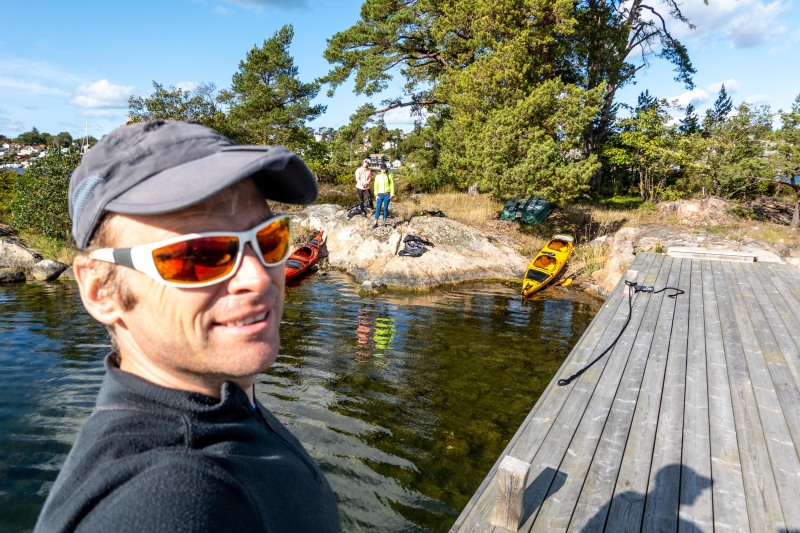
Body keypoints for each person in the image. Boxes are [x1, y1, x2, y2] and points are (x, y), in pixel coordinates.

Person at [35, 120, 341, 532]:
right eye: (198, 255)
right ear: (100, 290)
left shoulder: (224, 400)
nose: (259, 275)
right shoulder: (168, 497)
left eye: (269, 238)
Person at [372, 163, 394, 228]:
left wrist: (392, 194)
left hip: (387, 194)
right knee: (378, 208)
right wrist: (376, 194)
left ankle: (384, 222)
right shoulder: (377, 176)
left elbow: (391, 185)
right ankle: (375, 222)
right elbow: (375, 186)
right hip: (380, 195)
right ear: (380, 169)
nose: (383, 170)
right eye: (381, 169)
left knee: (385, 209)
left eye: (384, 168)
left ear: (386, 168)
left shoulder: (389, 175)